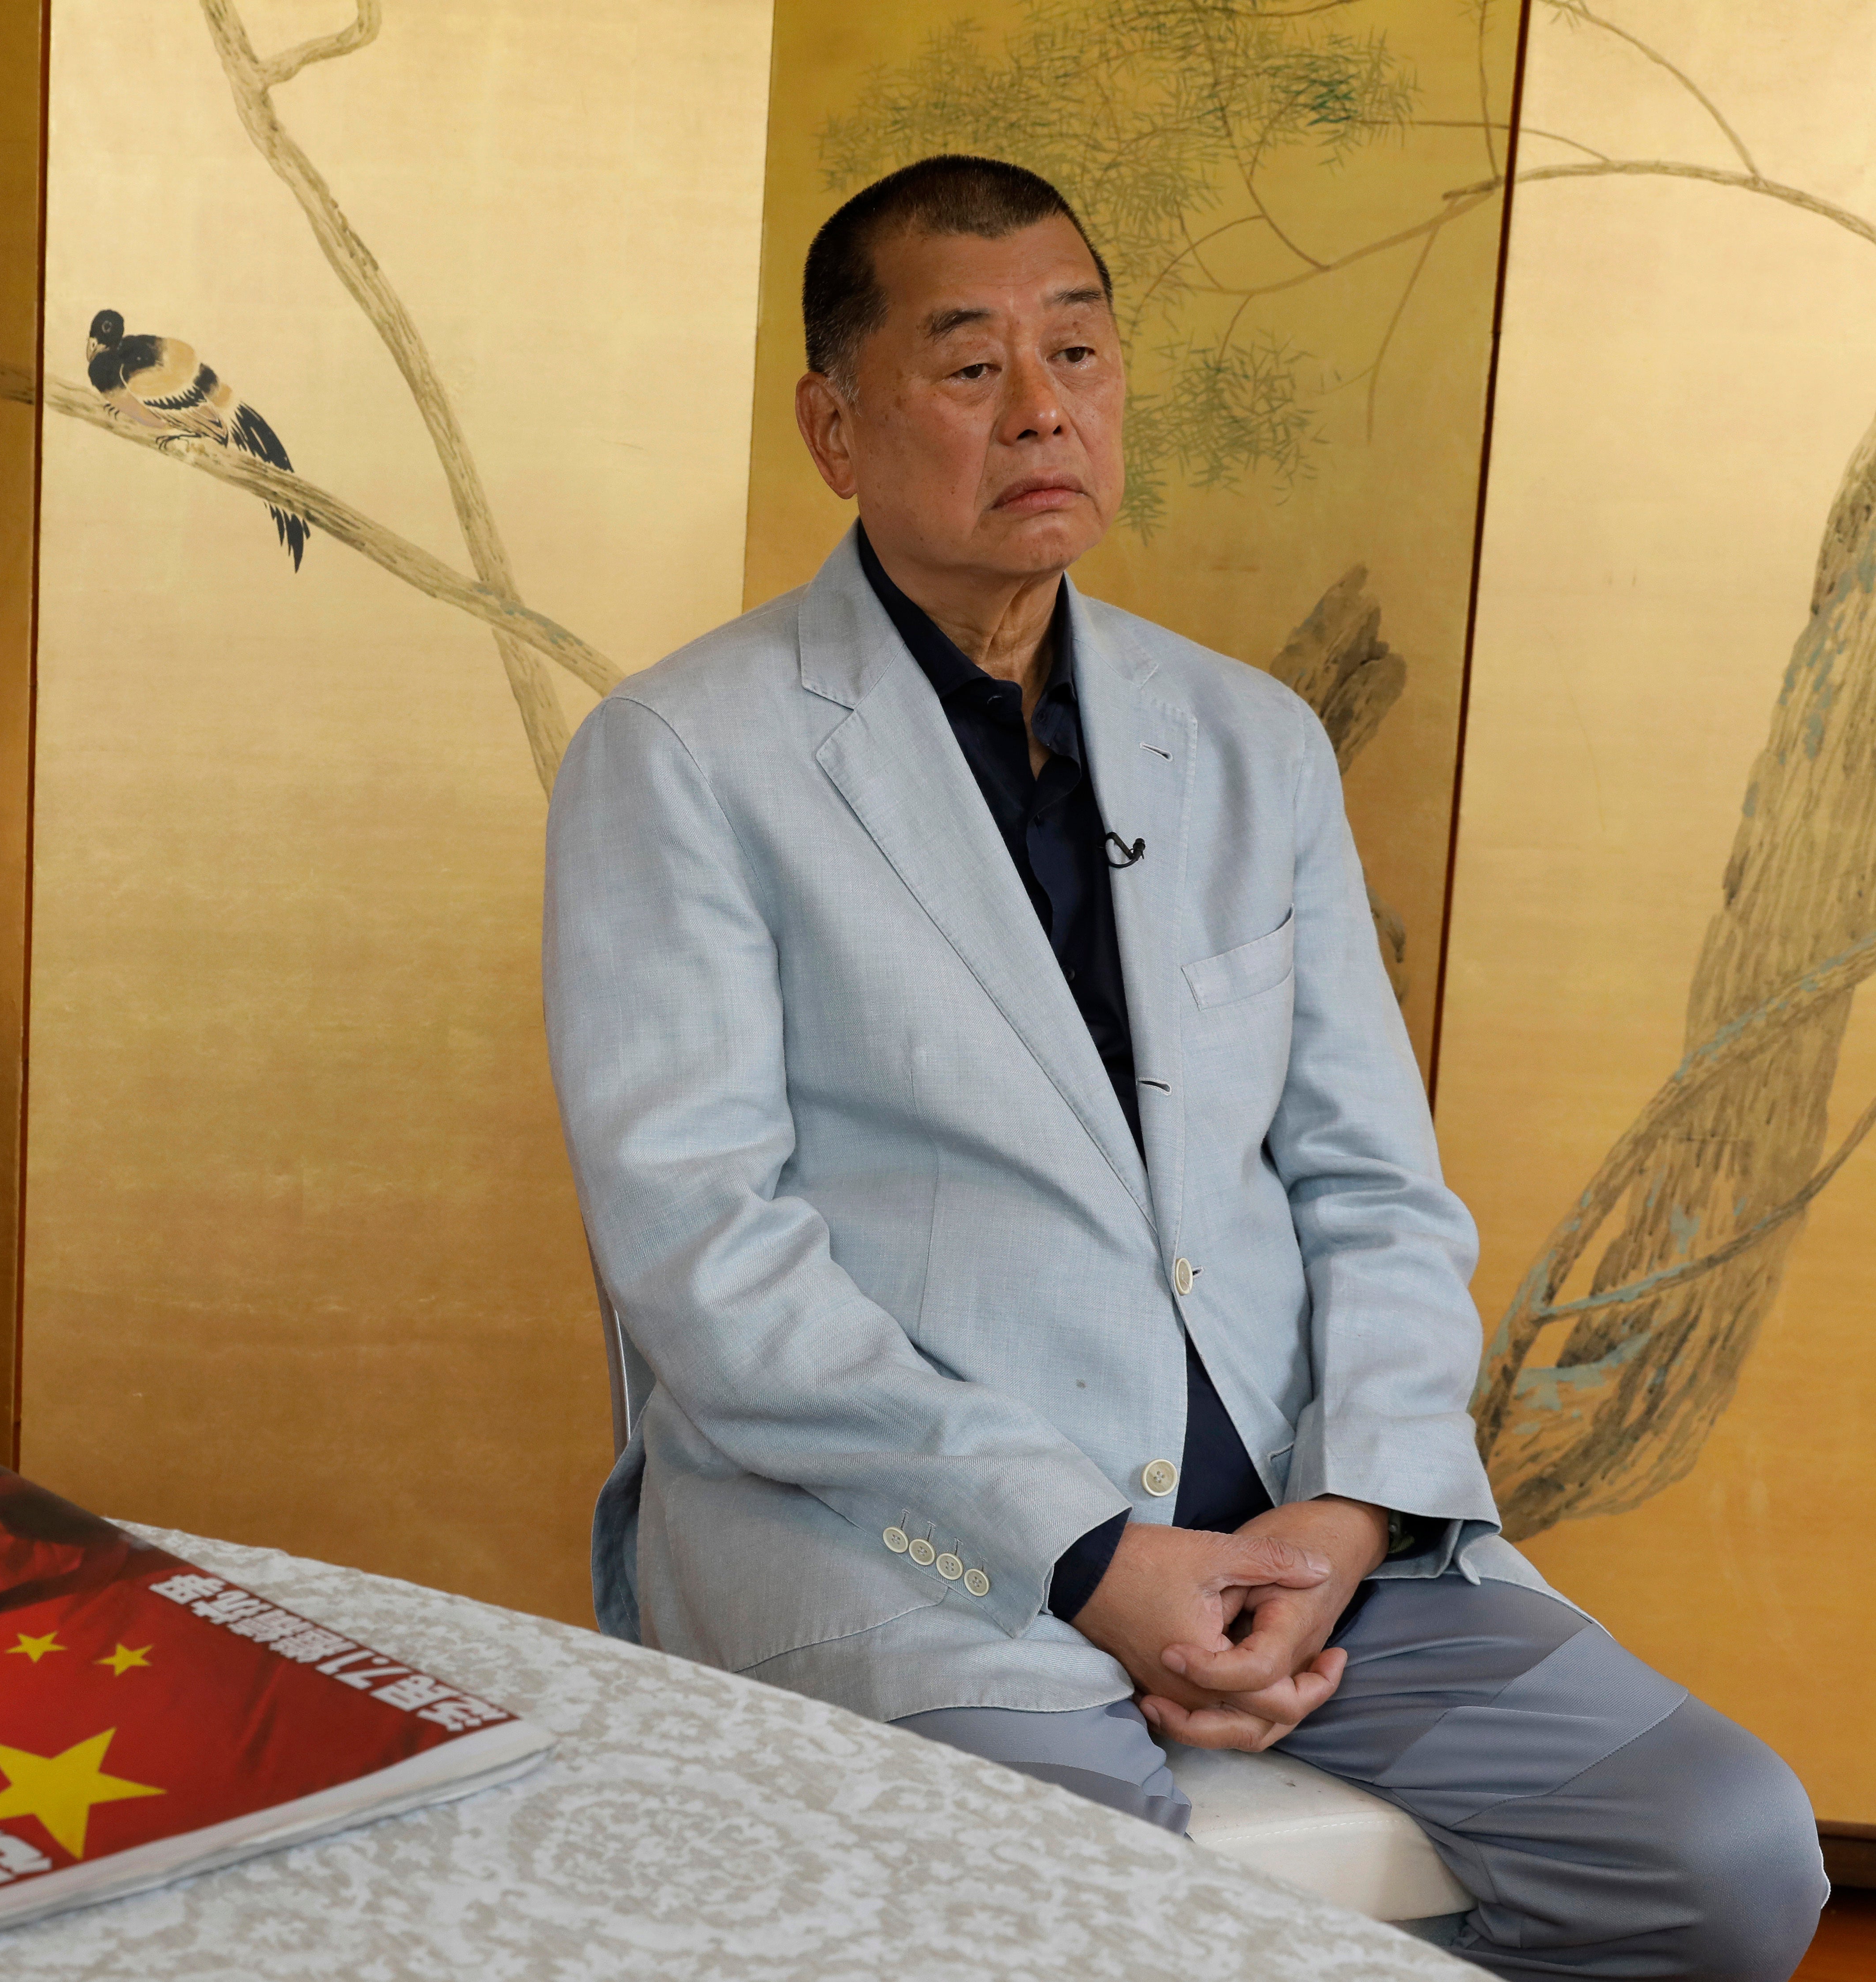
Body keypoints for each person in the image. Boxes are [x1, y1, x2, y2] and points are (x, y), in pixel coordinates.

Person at [542, 153, 1825, 1976]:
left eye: (1080, 348)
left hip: (1304, 1541)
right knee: (1099, 1915)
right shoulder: (683, 755)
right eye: (971, 363)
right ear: (834, 425)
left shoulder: (1248, 737)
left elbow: (1374, 1185)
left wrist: (1346, 1508)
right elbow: (707, 1266)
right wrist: (1085, 1556)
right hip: (905, 1534)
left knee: (1718, 1849)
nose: (1044, 406)